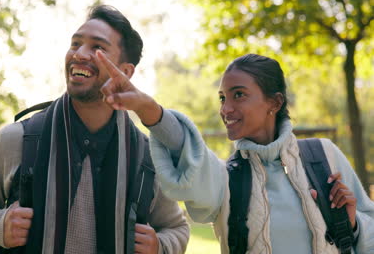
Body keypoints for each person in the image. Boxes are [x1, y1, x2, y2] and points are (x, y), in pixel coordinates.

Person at [0, 5, 189, 254]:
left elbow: (177, 228)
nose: (80, 54)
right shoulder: (18, 140)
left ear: (125, 72)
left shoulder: (147, 157)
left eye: (97, 47)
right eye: (75, 44)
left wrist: (160, 246)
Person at [96, 52, 374, 253]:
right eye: (222, 98)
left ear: (274, 102)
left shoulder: (323, 155)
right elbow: (187, 150)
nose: (225, 109)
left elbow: (368, 227)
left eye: (238, 95)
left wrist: (352, 224)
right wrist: (148, 109)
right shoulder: (226, 180)